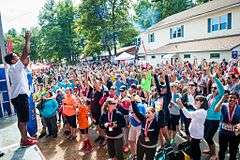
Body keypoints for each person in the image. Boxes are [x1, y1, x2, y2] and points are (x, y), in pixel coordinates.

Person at [4, 31, 38, 147]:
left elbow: (26, 59)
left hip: (18, 97)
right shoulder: (14, 67)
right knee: (23, 121)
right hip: (20, 97)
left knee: (21, 120)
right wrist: (27, 40)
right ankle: (24, 141)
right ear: (13, 60)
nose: (18, 56)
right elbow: (25, 53)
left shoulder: (15, 68)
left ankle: (24, 138)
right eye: (15, 56)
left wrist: (26, 57)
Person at [177, 95, 208, 160]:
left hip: (197, 134)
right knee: (194, 147)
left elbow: (188, 115)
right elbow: (193, 105)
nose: (195, 101)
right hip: (195, 133)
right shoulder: (200, 110)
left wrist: (181, 105)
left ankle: (197, 158)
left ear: (202, 102)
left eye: (197, 100)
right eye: (195, 99)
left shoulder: (201, 111)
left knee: (195, 148)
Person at [215, 92, 240, 160]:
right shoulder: (223, 105)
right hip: (223, 133)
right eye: (230, 97)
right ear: (227, 98)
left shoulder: (239, 108)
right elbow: (216, 109)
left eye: (234, 98)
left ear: (237, 99)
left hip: (235, 134)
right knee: (222, 150)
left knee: (233, 151)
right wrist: (222, 99)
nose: (232, 99)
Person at [203, 76, 224, 159]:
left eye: (215, 88)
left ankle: (214, 154)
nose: (213, 89)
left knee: (209, 137)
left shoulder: (219, 96)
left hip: (214, 120)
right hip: (207, 119)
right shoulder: (208, 96)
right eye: (212, 87)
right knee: (205, 136)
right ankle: (210, 150)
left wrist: (215, 79)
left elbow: (221, 88)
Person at [128, 95, 146, 160]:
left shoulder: (140, 106)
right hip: (133, 126)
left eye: (130, 98)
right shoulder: (131, 105)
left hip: (139, 126)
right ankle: (134, 155)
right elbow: (130, 114)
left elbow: (140, 120)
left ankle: (139, 157)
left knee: (138, 143)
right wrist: (130, 123)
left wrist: (133, 113)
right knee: (130, 140)